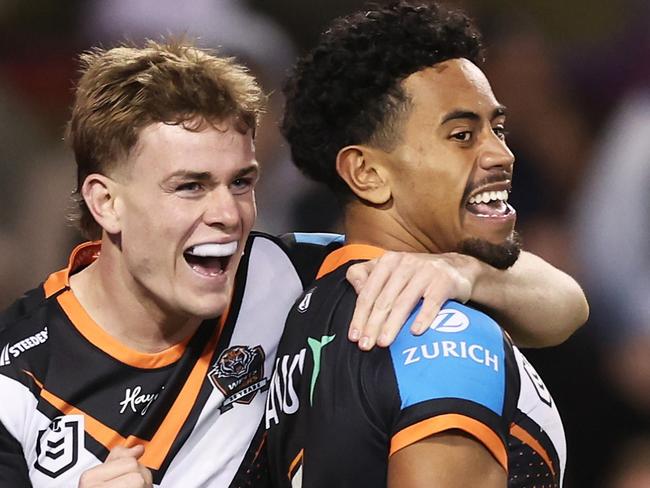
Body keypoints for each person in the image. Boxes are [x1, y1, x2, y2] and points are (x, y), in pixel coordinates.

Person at [0, 38, 586, 487]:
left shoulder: (286, 274)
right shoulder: (15, 382)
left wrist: (464, 273)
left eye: (241, 182)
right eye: (190, 186)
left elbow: (565, 308)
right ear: (108, 203)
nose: (228, 214)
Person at [266, 2, 572, 487]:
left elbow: (568, 306)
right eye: (462, 135)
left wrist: (464, 271)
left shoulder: (296, 293)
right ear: (367, 173)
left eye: (498, 128)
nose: (502, 153)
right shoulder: (440, 332)